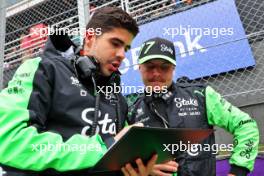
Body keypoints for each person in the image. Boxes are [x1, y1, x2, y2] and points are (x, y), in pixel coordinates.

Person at [0, 7, 158, 176]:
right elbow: (9, 141)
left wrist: (138, 167)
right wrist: (104, 147)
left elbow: (116, 153)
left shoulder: (117, 99)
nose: (122, 55)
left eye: (126, 48)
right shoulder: (42, 69)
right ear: (90, 38)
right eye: (115, 43)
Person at [126, 37, 260, 176]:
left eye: (164, 67)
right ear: (140, 67)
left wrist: (238, 171)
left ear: (173, 68)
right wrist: (144, 168)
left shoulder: (200, 95)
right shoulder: (132, 112)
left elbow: (246, 125)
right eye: (150, 66)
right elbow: (123, 158)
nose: (156, 73)